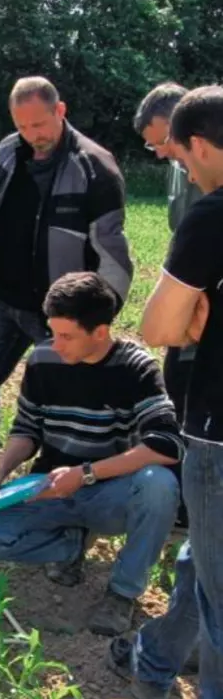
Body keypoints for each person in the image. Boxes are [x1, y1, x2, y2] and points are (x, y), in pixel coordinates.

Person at [0, 76, 133, 501]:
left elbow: (113, 255)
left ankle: (71, 498)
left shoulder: (94, 166)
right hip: (2, 300)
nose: (32, 136)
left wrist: (96, 320)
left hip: (60, 315)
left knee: (72, 406)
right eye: (23, 126)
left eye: (40, 124)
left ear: (61, 111)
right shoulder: (7, 151)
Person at [0, 272, 182, 637]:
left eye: (67, 336)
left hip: (108, 492)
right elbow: (27, 429)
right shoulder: (43, 360)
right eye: (53, 332)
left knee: (158, 484)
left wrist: (85, 474)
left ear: (100, 332)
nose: (56, 344)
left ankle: (121, 593)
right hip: (48, 486)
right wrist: (0, 470)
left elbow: (166, 445)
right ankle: (71, 545)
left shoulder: (136, 367)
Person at [108, 86, 223, 699]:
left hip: (216, 428)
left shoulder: (212, 214)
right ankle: (155, 664)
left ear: (200, 146)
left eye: (180, 155)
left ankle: (157, 665)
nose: (180, 165)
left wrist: (195, 320)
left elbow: (156, 328)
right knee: (210, 567)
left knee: (217, 586)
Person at [134, 84, 202, 520]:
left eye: (163, 141)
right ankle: (183, 501)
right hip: (187, 308)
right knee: (176, 396)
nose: (159, 152)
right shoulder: (180, 167)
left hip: (205, 313)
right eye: (151, 144)